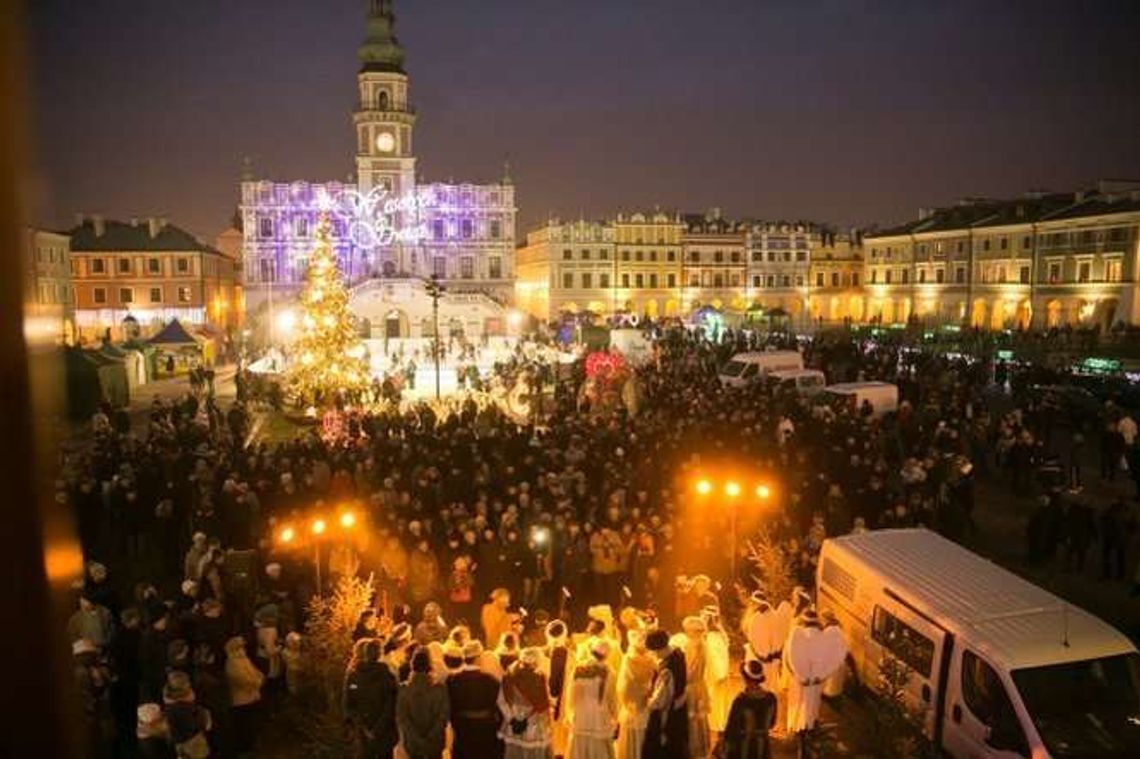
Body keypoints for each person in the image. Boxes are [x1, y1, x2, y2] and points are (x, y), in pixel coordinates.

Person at [345, 637, 400, 759]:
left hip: (362, 732)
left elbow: (349, 704)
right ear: (380, 654)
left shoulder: (354, 677)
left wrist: (362, 726)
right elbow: (391, 706)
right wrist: (377, 729)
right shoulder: (387, 677)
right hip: (384, 732)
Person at [448, 640, 505, 759]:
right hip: (485, 730)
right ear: (478, 658)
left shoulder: (452, 680)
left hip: (462, 730)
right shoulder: (490, 680)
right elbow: (500, 708)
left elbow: (450, 708)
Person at [565, 638, 619, 759]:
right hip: (599, 716)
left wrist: (571, 713)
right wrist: (616, 717)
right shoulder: (609, 672)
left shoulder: (578, 669)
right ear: (607, 655)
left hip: (581, 714)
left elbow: (570, 695)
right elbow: (612, 699)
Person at [499, 647, 554, 759]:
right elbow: (543, 705)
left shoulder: (509, 676)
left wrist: (512, 719)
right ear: (536, 661)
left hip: (514, 722)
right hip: (534, 724)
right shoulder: (540, 678)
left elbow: (501, 701)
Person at [397, 649, 450, 759]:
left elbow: (403, 718)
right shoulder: (439, 689)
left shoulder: (404, 689)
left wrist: (417, 738)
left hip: (413, 744)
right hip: (434, 743)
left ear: (412, 665)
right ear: (429, 666)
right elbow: (443, 717)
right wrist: (429, 737)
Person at [644, 629, 688, 759]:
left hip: (668, 716)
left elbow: (659, 701)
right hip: (679, 708)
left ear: (659, 648)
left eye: (654, 651)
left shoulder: (667, 670)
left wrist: (648, 701)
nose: (653, 655)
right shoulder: (678, 653)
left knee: (665, 749)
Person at [718, 661, 776, 759]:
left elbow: (731, 728)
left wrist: (725, 746)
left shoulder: (741, 701)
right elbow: (771, 723)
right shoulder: (771, 698)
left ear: (746, 679)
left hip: (744, 748)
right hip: (763, 747)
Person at [616, 630, 654, 759]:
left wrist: (624, 701)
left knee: (631, 735)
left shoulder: (628, 659)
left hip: (632, 703)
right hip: (647, 701)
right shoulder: (651, 659)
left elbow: (622, 686)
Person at [224, 636, 265, 756]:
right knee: (244, 726)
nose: (243, 649)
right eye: (240, 647)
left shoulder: (243, 659)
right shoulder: (232, 663)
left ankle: (250, 745)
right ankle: (244, 749)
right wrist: (257, 681)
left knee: (250, 724)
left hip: (251, 697)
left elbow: (255, 672)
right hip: (241, 700)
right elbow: (244, 680)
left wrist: (259, 678)